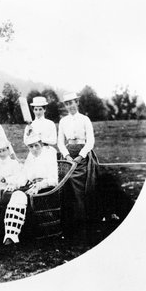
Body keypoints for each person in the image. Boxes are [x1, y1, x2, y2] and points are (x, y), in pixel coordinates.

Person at [2, 134, 58, 245]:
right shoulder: (30, 157)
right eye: (31, 147)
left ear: (41, 144)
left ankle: (12, 235)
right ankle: (10, 234)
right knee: (14, 194)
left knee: (20, 196)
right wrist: (15, 184)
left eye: (36, 146)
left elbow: (54, 180)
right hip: (31, 186)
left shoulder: (49, 155)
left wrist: (40, 185)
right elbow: (24, 175)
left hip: (45, 189)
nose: (34, 149)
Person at [57, 92, 100, 231]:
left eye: (72, 102)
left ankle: (86, 221)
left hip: (83, 155)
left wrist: (81, 156)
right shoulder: (63, 121)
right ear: (65, 106)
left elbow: (91, 141)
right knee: (68, 186)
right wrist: (67, 156)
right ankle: (72, 223)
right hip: (69, 156)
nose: (70, 106)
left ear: (77, 102)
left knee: (85, 187)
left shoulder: (85, 119)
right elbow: (60, 142)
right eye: (67, 103)